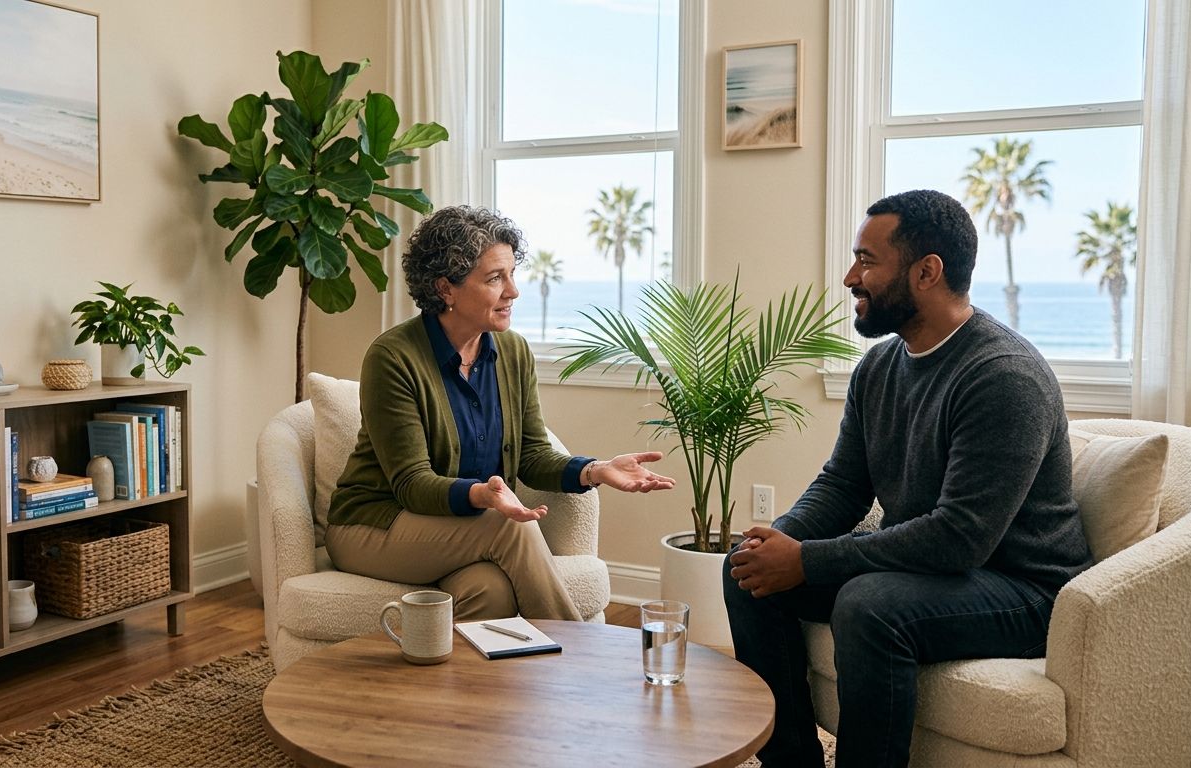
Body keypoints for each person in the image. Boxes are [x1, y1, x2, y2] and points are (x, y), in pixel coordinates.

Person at [723, 189, 1093, 768]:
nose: (850, 277)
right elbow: (844, 484)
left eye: (867, 260)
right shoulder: (879, 366)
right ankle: (791, 761)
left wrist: (809, 560)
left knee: (870, 604)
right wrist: (779, 543)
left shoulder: (1003, 377)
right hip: (934, 568)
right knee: (745, 567)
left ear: (927, 272)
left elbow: (960, 537)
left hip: (1021, 588)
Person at [326, 205, 675, 621]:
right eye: (495, 278)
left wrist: (595, 470)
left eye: (511, 274)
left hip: (455, 529)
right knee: (509, 525)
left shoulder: (511, 352)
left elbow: (531, 456)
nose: (513, 291)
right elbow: (411, 484)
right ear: (446, 289)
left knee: (488, 593)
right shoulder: (393, 357)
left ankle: (465, 687)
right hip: (374, 525)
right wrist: (482, 496)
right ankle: (579, 664)